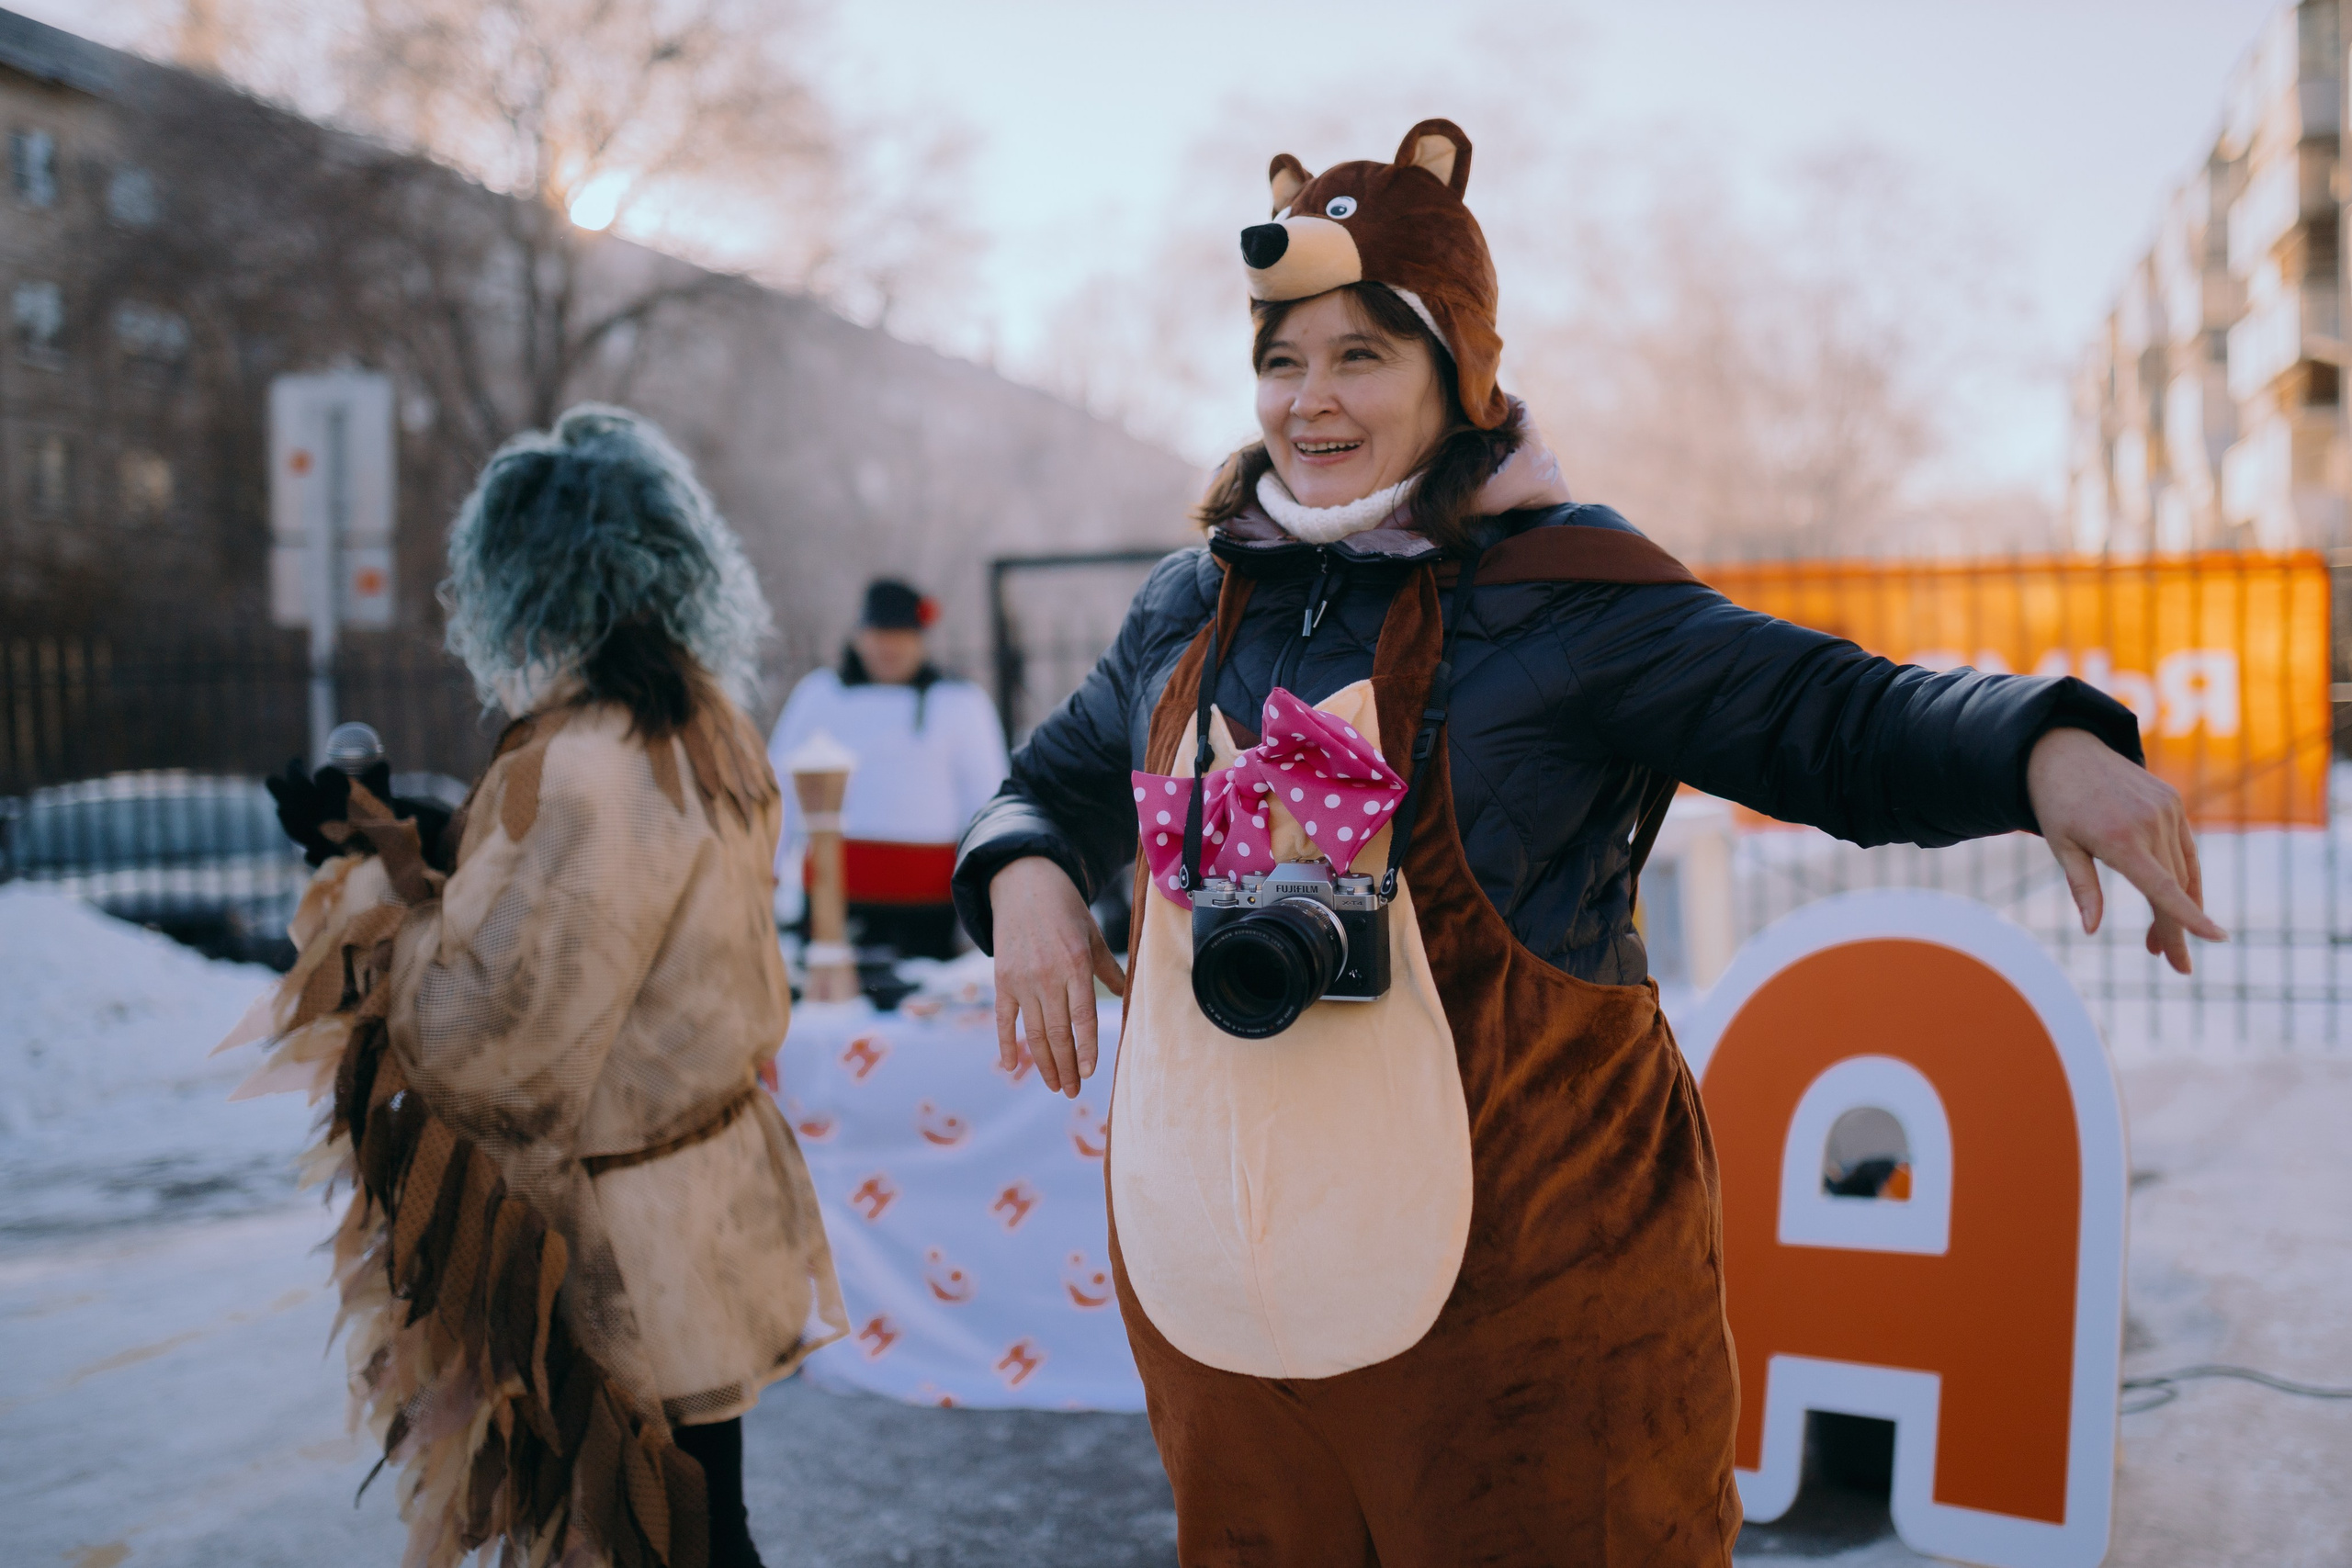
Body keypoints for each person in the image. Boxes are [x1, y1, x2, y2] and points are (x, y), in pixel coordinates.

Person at [951, 120, 2223, 1566]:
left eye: (1362, 354)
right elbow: (1042, 787)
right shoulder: (1193, 602)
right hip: (1237, 1343)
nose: (1310, 401)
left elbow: (1832, 711)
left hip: (1522, 1325)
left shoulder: (1565, 593)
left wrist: (2042, 741)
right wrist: (1032, 883)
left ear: (1458, 368)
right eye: (1282, 359)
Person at [240, 404, 844, 1568]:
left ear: (519, 576)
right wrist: (424, 839)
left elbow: (487, 1032)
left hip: (630, 1245)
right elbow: (595, 925)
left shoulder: (590, 762)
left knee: (663, 1540)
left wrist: (371, 897)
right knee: (701, 1523)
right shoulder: (694, 719)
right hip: (700, 1199)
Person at [768, 577, 1008, 960]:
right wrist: (769, 870)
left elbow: (985, 800)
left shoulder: (960, 703)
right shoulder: (819, 696)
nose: (889, 646)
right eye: (879, 634)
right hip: (835, 896)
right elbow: (779, 787)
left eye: (901, 635)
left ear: (921, 639)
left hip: (931, 904)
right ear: (860, 637)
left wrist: (987, 897)